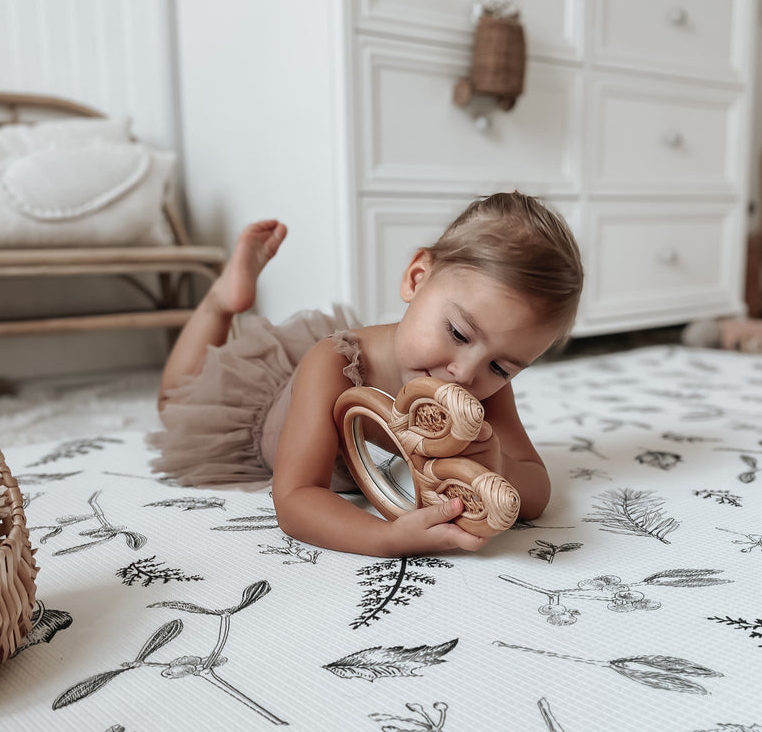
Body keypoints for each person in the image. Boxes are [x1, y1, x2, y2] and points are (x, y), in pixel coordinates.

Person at [148, 191, 583, 558]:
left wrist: (499, 467)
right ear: (416, 278)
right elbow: (296, 499)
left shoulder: (479, 389)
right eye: (457, 332)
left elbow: (537, 489)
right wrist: (386, 537)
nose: (464, 374)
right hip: (261, 416)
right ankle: (220, 302)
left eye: (500, 367)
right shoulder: (332, 365)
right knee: (176, 405)